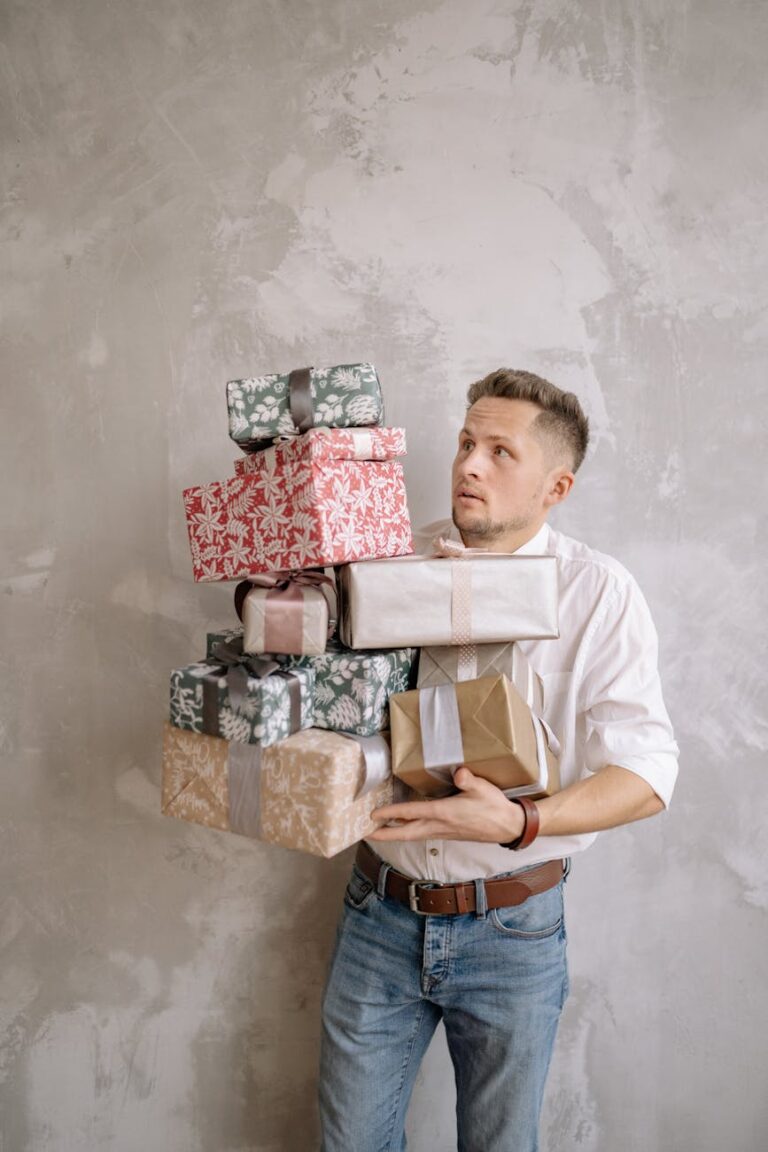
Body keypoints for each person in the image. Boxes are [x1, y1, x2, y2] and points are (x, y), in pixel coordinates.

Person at [318, 368, 679, 1152]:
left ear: (556, 487)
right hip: (376, 913)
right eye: (465, 443)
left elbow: (648, 775)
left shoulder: (599, 594)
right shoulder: (386, 569)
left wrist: (522, 820)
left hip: (512, 927)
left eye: (499, 452)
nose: (468, 465)